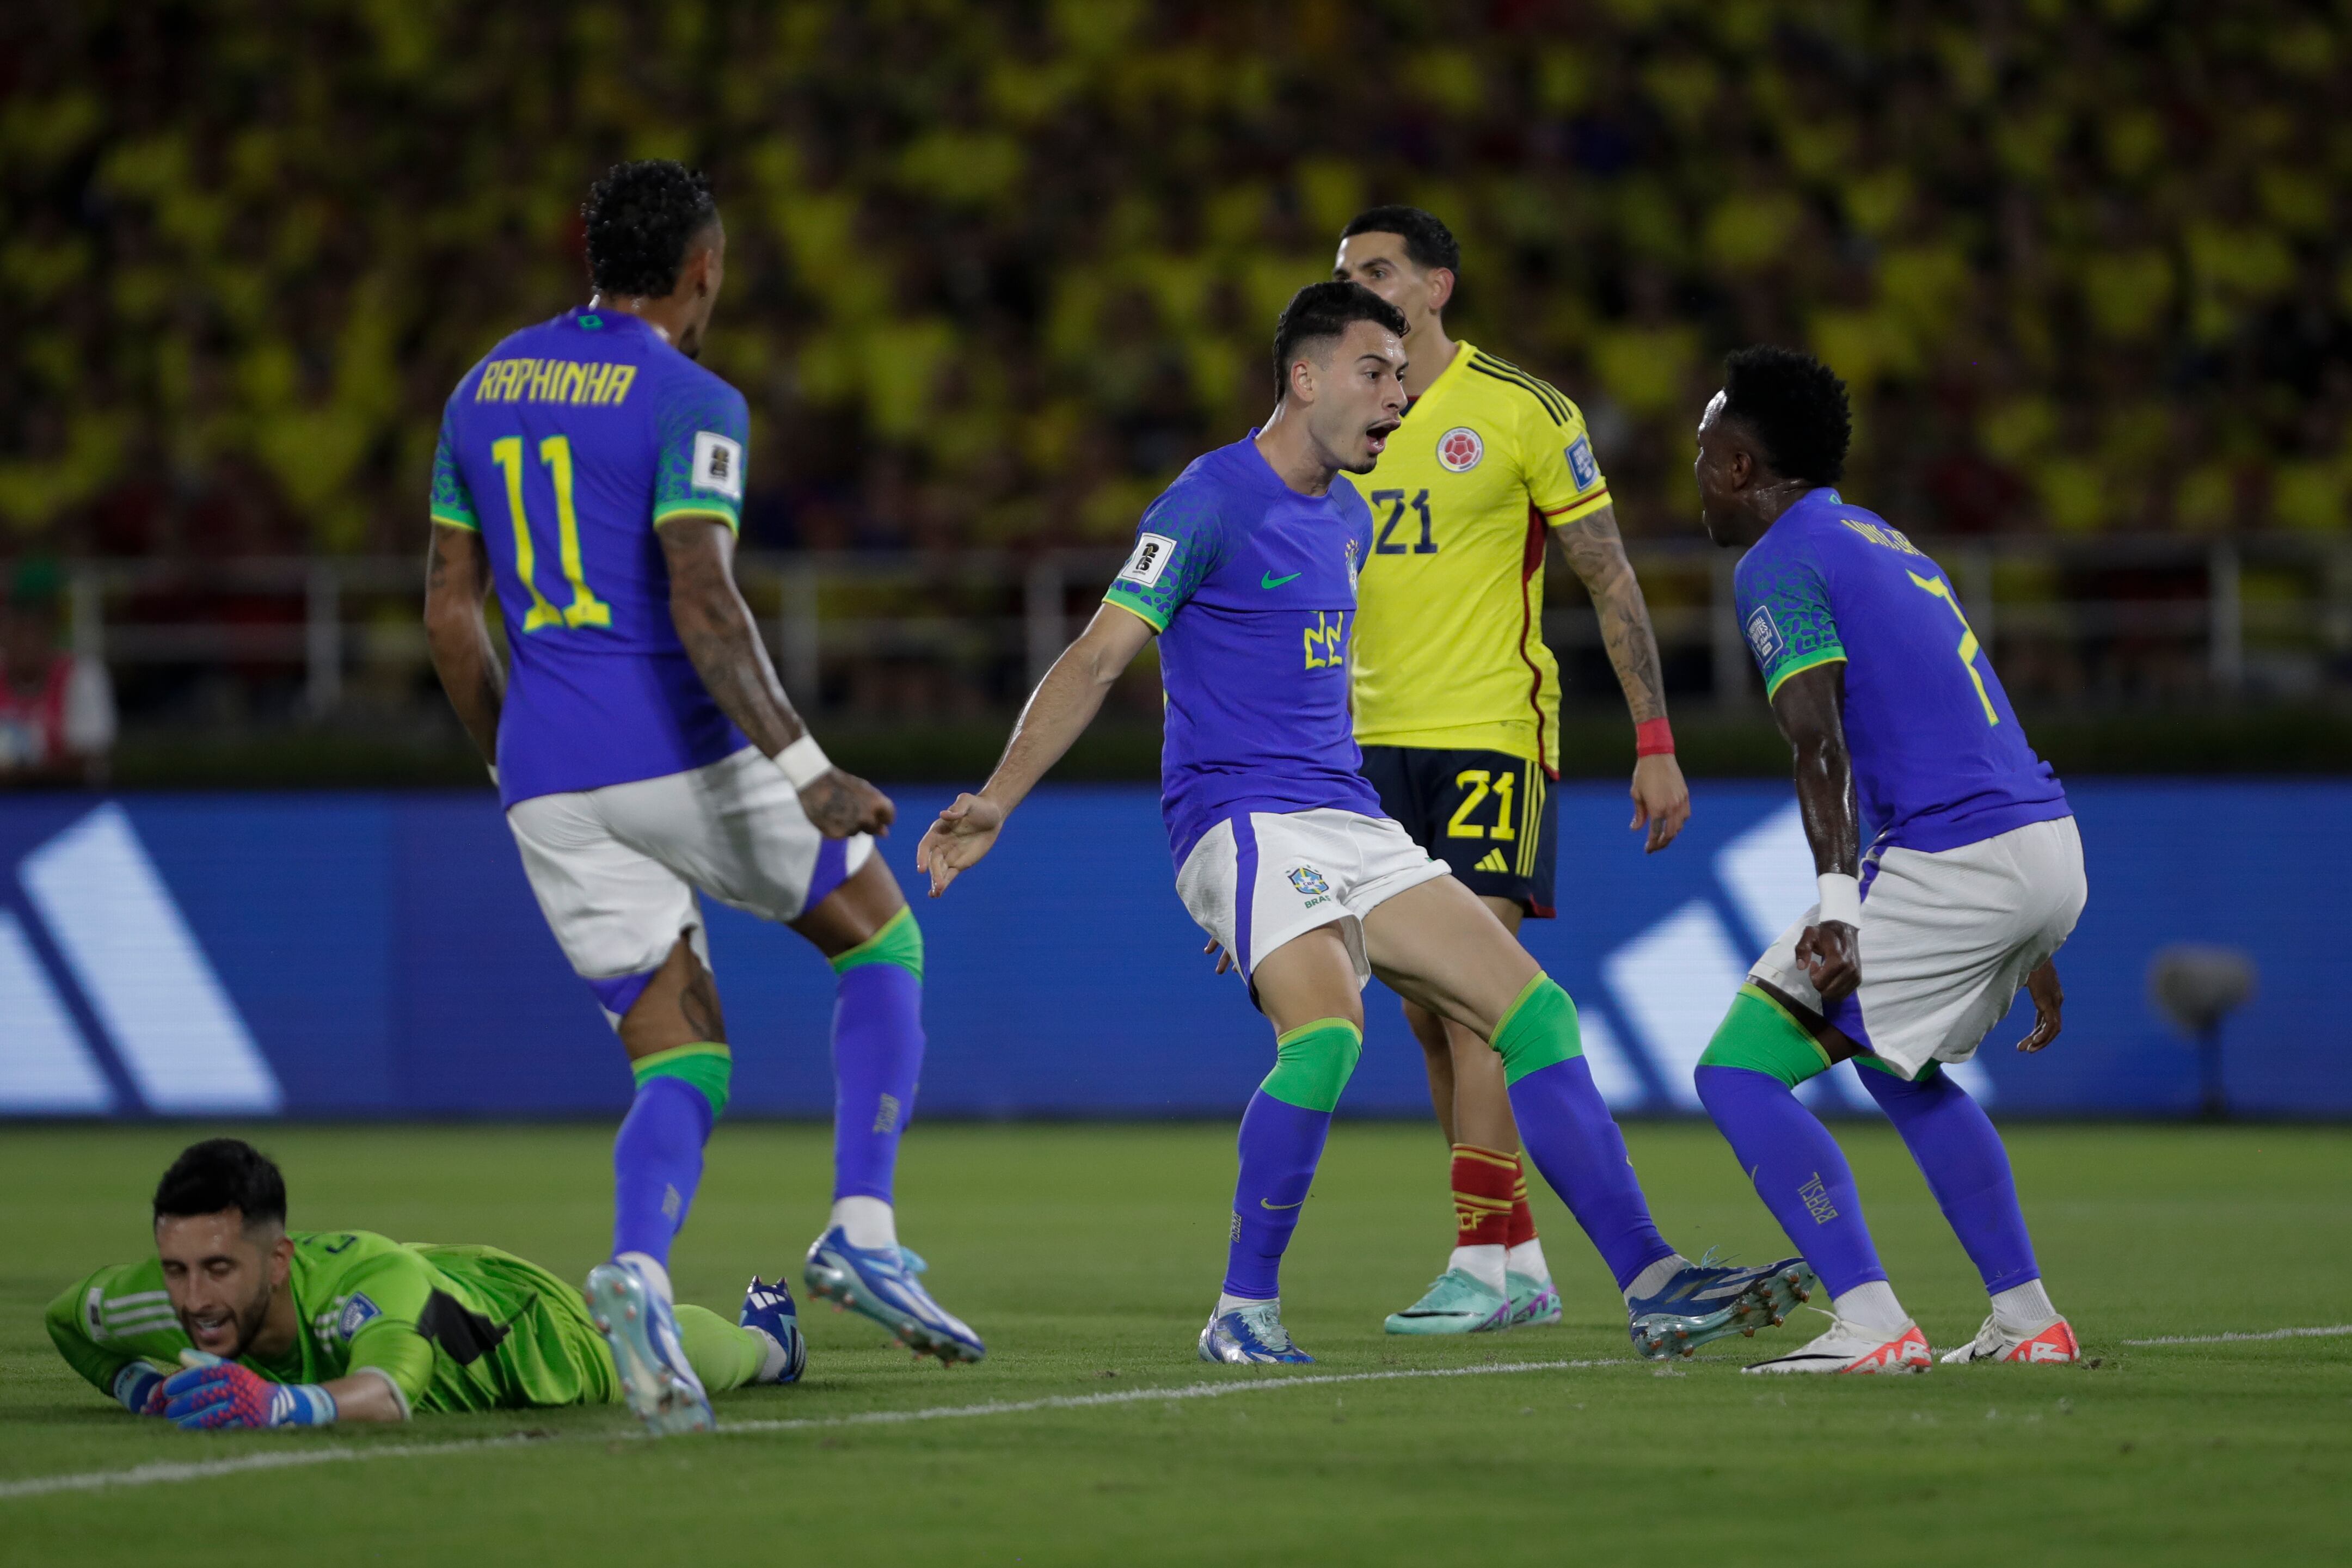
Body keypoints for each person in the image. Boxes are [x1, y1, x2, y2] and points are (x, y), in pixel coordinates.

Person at [917, 281, 1808, 1365]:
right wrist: (1000, 798)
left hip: (1348, 819)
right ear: (1305, 378)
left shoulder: (1346, 515)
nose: (1400, 395)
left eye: (1404, 374)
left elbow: (1312, 698)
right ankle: (1241, 1311)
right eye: (1376, 374)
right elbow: (1100, 654)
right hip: (1242, 817)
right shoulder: (1206, 499)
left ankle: (1653, 1282)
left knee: (1538, 1017)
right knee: (1329, 1034)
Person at [422, 159, 984, 1427]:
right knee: (881, 937)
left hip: (547, 776)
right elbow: (703, 598)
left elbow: (452, 616)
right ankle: (861, 1230)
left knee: (681, 1056)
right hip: (674, 742)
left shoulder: (481, 387)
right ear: (702, 270)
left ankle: (636, 1268)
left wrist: (516, 766)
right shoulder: (691, 396)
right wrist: (807, 768)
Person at [1688, 346, 2085, 1374]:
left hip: (1959, 858)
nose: (1694, 475)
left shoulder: (1777, 560)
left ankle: (1869, 1317)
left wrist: (1837, 905)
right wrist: (2027, 929)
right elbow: (1953, 717)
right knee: (1900, 1070)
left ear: (1739, 467)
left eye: (1704, 454)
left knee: (1736, 1071)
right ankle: (2027, 1319)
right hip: (2036, 840)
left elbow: (1814, 743)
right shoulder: (1886, 540)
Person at [1334, 206, 1691, 1336]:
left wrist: (1653, 739)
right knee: (1430, 1019)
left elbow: (1609, 575)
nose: (1359, 289)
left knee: (1482, 997)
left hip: (1489, 733)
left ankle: (1477, 1267)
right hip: (1361, 749)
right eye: (1344, 277)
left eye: (1379, 271)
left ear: (1438, 285)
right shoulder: (1335, 416)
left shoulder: (1524, 412)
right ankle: (1521, 1257)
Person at [46, 1139, 803, 1436]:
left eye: (218, 1270)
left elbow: (392, 1388)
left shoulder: (362, 1284)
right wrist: (137, 1385)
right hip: (427, 1283)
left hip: (511, 1333)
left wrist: (281, 1403)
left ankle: (769, 1340)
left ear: (276, 1262)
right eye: (176, 1269)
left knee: (643, 1364)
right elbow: (65, 1322)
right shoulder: (158, 1295)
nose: (194, 1299)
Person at [0, 558, 115, 787]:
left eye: (32, 634)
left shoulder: (82, 677)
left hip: (69, 800)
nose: (24, 645)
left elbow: (88, 759)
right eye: (16, 634)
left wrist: (21, 776)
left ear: (49, 637)